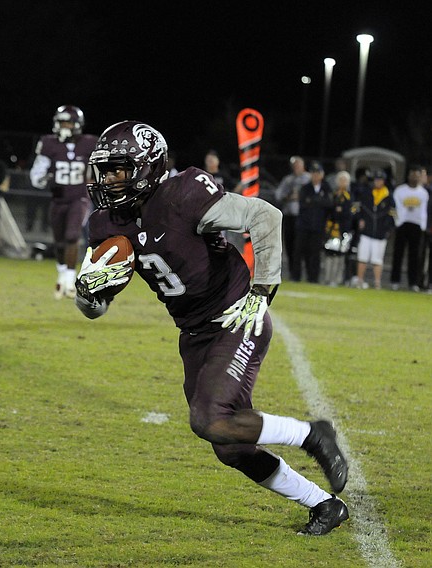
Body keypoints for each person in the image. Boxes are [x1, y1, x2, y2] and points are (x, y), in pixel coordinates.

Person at [74, 120, 349, 536]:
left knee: (208, 418)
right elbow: (96, 307)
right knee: (229, 445)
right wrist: (87, 294)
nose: (109, 180)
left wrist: (262, 289)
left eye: (119, 169)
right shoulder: (105, 225)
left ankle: (312, 434)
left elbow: (264, 215)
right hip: (194, 333)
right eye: (105, 170)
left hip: (236, 313)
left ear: (148, 166)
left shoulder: (183, 194)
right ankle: (324, 504)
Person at [29, 105, 98, 298]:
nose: (63, 126)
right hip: (58, 200)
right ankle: (62, 275)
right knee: (60, 243)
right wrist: (46, 179)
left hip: (79, 198)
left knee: (72, 236)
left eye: (67, 122)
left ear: (77, 124)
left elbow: (102, 168)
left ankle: (70, 280)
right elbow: (36, 176)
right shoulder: (49, 143)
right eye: (61, 122)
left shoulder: (90, 143)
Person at [292, 161, 333, 283]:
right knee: (299, 251)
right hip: (304, 225)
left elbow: (329, 204)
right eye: (313, 173)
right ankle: (296, 276)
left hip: (318, 226)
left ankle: (313, 278)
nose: (315, 176)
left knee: (315, 253)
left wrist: (314, 201)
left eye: (318, 173)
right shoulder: (305, 188)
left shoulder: (326, 188)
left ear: (322, 174)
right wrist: (319, 201)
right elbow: (304, 204)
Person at [389, 165, 428, 291]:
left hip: (416, 226)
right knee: (398, 254)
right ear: (408, 176)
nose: (415, 178)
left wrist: (422, 225)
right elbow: (394, 208)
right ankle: (395, 281)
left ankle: (413, 283)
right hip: (402, 224)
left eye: (417, 176)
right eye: (413, 175)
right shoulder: (400, 190)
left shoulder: (423, 193)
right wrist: (397, 222)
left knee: (415, 256)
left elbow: (423, 210)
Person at [355, 169, 395, 289]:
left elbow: (393, 215)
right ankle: (359, 281)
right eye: (376, 180)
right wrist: (359, 219)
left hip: (380, 233)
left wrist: (387, 229)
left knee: (377, 260)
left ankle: (377, 282)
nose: (378, 182)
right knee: (362, 257)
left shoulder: (388, 196)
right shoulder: (366, 193)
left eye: (380, 180)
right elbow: (356, 208)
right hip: (366, 231)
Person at [275, 156, 311, 276]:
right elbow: (278, 195)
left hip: (303, 216)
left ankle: (304, 273)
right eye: (294, 166)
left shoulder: (308, 179)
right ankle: (293, 273)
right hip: (289, 215)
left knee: (301, 246)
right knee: (289, 245)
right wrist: (288, 197)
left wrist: (300, 197)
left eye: (298, 166)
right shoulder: (288, 180)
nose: (296, 168)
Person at [322, 171, 355, 287]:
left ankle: (336, 279)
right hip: (332, 230)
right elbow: (330, 210)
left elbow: (350, 214)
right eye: (340, 180)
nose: (342, 183)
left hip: (342, 230)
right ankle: (327, 277)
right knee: (329, 253)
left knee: (340, 255)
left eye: (345, 180)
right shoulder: (334, 195)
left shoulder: (349, 196)